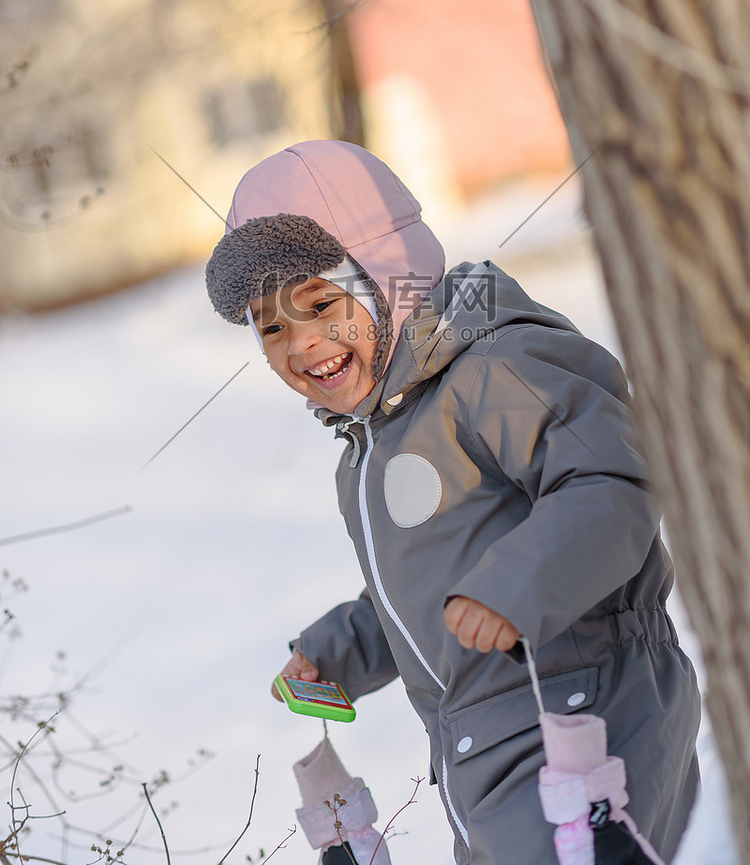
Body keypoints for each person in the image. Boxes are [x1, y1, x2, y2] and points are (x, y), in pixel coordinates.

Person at [205, 139, 700, 865]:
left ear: (388, 280)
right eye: (271, 325)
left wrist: (516, 588)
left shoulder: (492, 369)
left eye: (320, 304)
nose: (301, 343)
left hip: (586, 716)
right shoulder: (374, 443)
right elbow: (440, 586)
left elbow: (612, 482)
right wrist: (343, 647)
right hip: (481, 757)